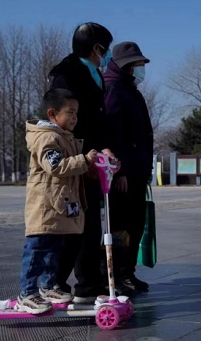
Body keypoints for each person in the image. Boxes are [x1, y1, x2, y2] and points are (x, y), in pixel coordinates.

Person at [47, 22, 115, 304]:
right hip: (76, 159)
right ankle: (55, 283)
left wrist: (103, 149)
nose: (107, 54)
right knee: (73, 225)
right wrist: (82, 157)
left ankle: (89, 282)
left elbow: (97, 119)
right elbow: (64, 123)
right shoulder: (67, 74)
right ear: (96, 47)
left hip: (93, 157)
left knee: (90, 225)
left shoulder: (95, 72)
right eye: (105, 48)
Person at [18, 89, 98, 314]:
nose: (75, 118)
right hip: (44, 208)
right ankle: (27, 293)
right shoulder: (47, 137)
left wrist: (88, 166)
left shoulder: (65, 137)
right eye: (70, 112)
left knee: (54, 250)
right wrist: (83, 160)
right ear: (52, 114)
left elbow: (72, 169)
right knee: (36, 251)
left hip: (58, 206)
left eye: (77, 113)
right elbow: (55, 166)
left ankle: (47, 287)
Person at [103, 41, 153, 294]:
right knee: (123, 225)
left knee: (135, 224)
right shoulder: (113, 88)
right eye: (137, 65)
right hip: (123, 173)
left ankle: (128, 271)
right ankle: (118, 274)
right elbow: (113, 134)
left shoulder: (130, 89)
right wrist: (119, 171)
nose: (140, 70)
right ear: (125, 66)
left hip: (137, 171)